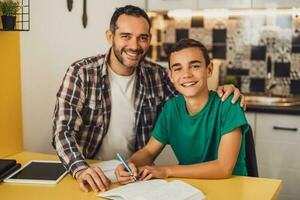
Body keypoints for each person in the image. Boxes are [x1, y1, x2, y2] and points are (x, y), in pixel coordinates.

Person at [52, 5, 246, 193]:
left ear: (149, 40)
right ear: (110, 37)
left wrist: (224, 89)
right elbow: (63, 130)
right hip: (92, 170)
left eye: (142, 38)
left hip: (134, 176)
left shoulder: (157, 75)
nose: (135, 46)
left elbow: (193, 97)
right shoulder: (82, 73)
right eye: (126, 36)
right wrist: (81, 169)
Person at [115, 38, 250, 184]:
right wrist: (129, 164)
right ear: (171, 76)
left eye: (195, 66)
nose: (186, 74)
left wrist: (166, 171)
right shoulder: (171, 109)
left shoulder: (228, 105)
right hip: (190, 188)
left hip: (230, 189)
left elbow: (224, 168)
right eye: (178, 68)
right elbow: (148, 152)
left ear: (209, 70)